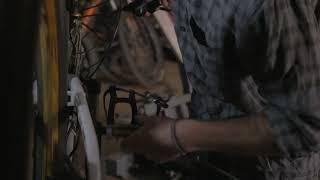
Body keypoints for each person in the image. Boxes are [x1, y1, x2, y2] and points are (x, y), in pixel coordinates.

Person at [121, 0, 320, 179]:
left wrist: (179, 136)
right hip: (217, 158)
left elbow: (306, 124)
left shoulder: (256, 5)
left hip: (272, 170)